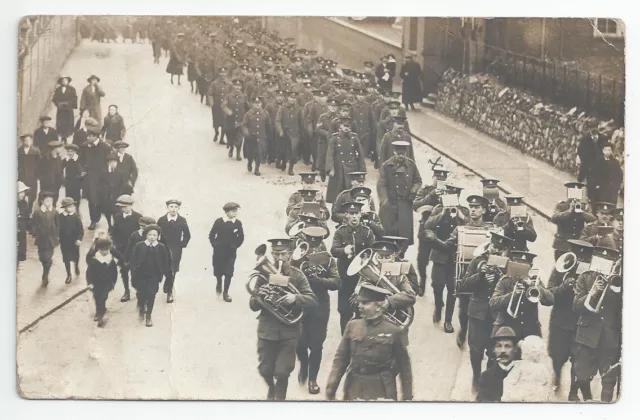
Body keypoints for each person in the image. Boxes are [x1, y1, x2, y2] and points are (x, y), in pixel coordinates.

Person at [250, 238, 317, 401]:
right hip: (267, 330)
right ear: (271, 254)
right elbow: (253, 305)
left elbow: (312, 300)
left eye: (283, 254)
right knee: (265, 369)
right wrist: (260, 295)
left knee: (282, 371)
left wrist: (295, 297)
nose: (279, 258)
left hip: (289, 331)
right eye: (276, 254)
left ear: (289, 254)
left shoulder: (298, 275)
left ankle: (279, 402)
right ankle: (271, 389)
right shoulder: (263, 275)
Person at [326, 283, 413, 401]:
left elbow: (404, 367)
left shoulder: (393, 331)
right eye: (359, 302)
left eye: (365, 303)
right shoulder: (352, 326)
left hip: (382, 389)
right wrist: (331, 387)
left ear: (378, 306)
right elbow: (340, 360)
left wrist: (407, 398)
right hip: (355, 386)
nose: (360, 306)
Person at [460, 232, 513, 389]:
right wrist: (481, 276)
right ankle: (476, 377)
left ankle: (488, 380)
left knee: (494, 351)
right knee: (476, 350)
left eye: (500, 250)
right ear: (489, 246)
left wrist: (499, 277)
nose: (496, 252)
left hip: (497, 315)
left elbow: (511, 287)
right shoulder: (478, 261)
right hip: (478, 313)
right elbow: (464, 284)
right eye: (494, 248)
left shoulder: (508, 265)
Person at [292, 226, 341, 395]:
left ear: (321, 242)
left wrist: (319, 280)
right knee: (299, 341)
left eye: (317, 242)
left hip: (320, 305)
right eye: (310, 242)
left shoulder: (328, 259)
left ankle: (313, 379)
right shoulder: (296, 256)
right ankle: (304, 364)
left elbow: (336, 282)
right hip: (301, 304)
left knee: (317, 344)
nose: (313, 246)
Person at [442, 195, 492, 347]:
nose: (473, 210)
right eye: (471, 207)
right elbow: (448, 245)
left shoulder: (491, 230)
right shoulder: (461, 229)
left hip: (485, 275)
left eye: (476, 207)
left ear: (483, 210)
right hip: (466, 274)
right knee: (464, 310)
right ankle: (463, 329)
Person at [572, 246, 621, 402]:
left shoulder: (620, 281)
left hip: (610, 336)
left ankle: (605, 409)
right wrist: (592, 293)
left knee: (609, 380)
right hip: (587, 335)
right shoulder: (585, 277)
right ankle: (588, 400)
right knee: (581, 376)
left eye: (608, 261)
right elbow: (576, 305)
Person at [547, 239, 594, 401]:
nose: (579, 260)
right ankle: (557, 378)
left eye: (584, 257)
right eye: (577, 255)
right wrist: (564, 286)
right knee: (557, 356)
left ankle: (573, 391)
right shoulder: (560, 268)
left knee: (578, 360)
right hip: (560, 321)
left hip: (579, 323)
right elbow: (549, 293)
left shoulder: (590, 273)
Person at [422, 184, 470, 333]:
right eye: (449, 193)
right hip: (439, 254)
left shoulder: (464, 211)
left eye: (454, 194)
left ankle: (448, 320)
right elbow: (427, 226)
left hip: (456, 255)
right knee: (437, 286)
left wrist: (460, 217)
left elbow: (470, 227)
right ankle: (437, 307)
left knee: (452, 289)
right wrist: (442, 213)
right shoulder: (438, 209)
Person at [331, 202, 376, 334]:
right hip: (345, 276)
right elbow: (333, 250)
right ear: (346, 215)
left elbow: (373, 251)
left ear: (361, 214)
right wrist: (343, 250)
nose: (354, 216)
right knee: (344, 311)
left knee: (362, 310)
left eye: (356, 213)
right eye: (351, 214)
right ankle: (345, 338)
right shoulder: (340, 232)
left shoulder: (367, 232)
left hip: (362, 278)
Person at [489, 251, 554, 340]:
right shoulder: (505, 281)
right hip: (507, 328)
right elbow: (493, 303)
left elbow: (550, 300)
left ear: (530, 267)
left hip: (530, 330)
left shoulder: (535, 281)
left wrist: (532, 285)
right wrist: (513, 294)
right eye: (518, 266)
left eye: (525, 267)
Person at [377, 140, 422, 258]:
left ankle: (401, 254)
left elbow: (418, 180)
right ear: (394, 152)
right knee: (388, 232)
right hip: (390, 205)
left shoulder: (411, 165)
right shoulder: (387, 166)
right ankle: (388, 254)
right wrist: (384, 200)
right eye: (398, 153)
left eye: (403, 154)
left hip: (405, 205)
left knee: (404, 233)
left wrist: (414, 190)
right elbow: (381, 184)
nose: (401, 156)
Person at [413, 166, 449, 296]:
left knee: (440, 262)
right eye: (437, 178)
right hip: (426, 229)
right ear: (433, 177)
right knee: (422, 259)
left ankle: (439, 290)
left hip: (442, 232)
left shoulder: (450, 191)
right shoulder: (426, 190)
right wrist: (431, 195)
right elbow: (416, 205)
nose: (439, 181)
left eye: (442, 179)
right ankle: (422, 281)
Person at [129, 224, 174, 327]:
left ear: (158, 236)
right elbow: (133, 260)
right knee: (141, 294)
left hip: (154, 276)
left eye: (154, 235)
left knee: (151, 295)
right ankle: (141, 307)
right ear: (146, 235)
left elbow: (166, 261)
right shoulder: (139, 245)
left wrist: (164, 274)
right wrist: (133, 271)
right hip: (140, 275)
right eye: (150, 235)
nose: (152, 237)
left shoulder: (161, 247)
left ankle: (148, 315)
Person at [325, 117, 367, 203]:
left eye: (348, 126)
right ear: (340, 126)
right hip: (338, 169)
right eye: (344, 126)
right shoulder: (335, 138)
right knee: (337, 194)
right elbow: (330, 154)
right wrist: (331, 168)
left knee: (351, 193)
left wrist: (362, 170)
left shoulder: (354, 138)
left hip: (352, 169)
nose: (346, 128)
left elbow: (361, 155)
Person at [157, 199, 191, 303]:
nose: (173, 209)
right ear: (167, 208)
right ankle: (167, 281)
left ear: (178, 208)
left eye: (176, 207)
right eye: (171, 206)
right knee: (164, 267)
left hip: (176, 248)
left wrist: (182, 244)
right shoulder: (161, 220)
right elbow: (156, 232)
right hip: (163, 248)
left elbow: (187, 234)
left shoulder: (182, 220)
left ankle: (170, 292)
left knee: (173, 269)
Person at [209, 202, 244, 302]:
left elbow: (241, 237)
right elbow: (212, 234)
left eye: (236, 211)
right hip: (219, 251)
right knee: (218, 270)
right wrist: (215, 244)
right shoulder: (219, 222)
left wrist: (235, 246)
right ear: (226, 212)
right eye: (233, 211)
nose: (235, 213)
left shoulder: (237, 223)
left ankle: (226, 292)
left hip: (231, 252)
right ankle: (219, 282)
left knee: (229, 272)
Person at [551, 182, 596, 260]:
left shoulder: (584, 206)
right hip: (562, 244)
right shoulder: (562, 205)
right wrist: (569, 211)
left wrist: (582, 212)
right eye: (572, 192)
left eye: (577, 193)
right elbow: (554, 218)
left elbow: (593, 219)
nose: (575, 196)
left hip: (577, 243)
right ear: (568, 192)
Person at [476, 326, 520, 402]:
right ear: (493, 349)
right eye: (499, 346)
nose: (503, 350)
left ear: (515, 348)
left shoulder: (523, 373)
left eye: (507, 346)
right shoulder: (486, 377)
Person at [111, 194, 142, 302]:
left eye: (125, 206)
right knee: (123, 271)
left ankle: (138, 289)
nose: (123, 209)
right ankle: (126, 291)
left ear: (130, 206)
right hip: (122, 250)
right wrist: (114, 244)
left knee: (135, 271)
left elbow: (141, 234)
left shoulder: (138, 217)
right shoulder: (117, 217)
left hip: (134, 249)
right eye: (121, 207)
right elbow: (114, 232)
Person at [81, 125, 112, 230]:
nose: (87, 138)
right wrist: (82, 171)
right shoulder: (85, 146)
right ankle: (93, 220)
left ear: (95, 137)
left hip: (103, 178)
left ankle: (103, 218)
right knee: (91, 199)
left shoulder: (105, 147)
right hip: (90, 177)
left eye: (89, 136)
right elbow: (81, 161)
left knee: (102, 198)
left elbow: (109, 161)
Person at [86, 238, 118, 328]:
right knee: (97, 297)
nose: (105, 252)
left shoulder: (110, 260)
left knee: (103, 297)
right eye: (103, 250)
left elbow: (114, 272)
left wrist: (113, 282)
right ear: (99, 249)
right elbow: (89, 273)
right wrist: (89, 283)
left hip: (107, 283)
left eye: (107, 250)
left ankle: (100, 315)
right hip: (96, 283)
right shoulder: (94, 259)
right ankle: (98, 311)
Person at [31, 191, 60, 286]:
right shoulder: (38, 212)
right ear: (42, 201)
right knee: (42, 257)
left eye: (51, 201)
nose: (49, 203)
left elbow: (58, 224)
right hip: (41, 238)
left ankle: (45, 274)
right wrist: (34, 232)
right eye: (47, 201)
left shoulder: (55, 212)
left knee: (48, 256)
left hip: (51, 238)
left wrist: (57, 234)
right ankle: (46, 266)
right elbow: (34, 224)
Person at [275, 91, 306, 175]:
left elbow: (302, 122)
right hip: (284, 133)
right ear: (287, 98)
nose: (292, 100)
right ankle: (283, 162)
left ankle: (291, 168)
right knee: (283, 150)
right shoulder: (282, 108)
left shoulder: (299, 109)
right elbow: (278, 120)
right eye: (291, 97)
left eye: (294, 98)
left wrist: (302, 134)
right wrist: (280, 130)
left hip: (295, 134)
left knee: (293, 151)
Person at [241, 96, 272, 176]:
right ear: (253, 104)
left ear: (261, 104)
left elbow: (268, 126)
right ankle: (250, 162)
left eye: (259, 103)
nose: (257, 105)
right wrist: (246, 133)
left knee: (259, 153)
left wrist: (269, 137)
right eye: (255, 103)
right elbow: (244, 125)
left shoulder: (265, 114)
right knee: (251, 153)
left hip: (261, 138)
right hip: (251, 137)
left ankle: (257, 168)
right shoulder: (249, 114)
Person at [577, 123, 605, 204]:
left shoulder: (602, 138)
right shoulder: (585, 138)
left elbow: (605, 148)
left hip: (598, 165)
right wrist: (585, 160)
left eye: (595, 127)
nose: (594, 130)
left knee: (593, 183)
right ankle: (577, 198)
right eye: (592, 128)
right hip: (587, 164)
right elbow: (580, 150)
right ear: (589, 129)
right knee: (580, 180)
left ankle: (591, 200)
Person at [58, 197, 84, 284]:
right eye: (69, 207)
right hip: (64, 242)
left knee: (76, 256)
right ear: (65, 208)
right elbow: (58, 228)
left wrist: (79, 239)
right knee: (66, 258)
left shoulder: (76, 217)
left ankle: (76, 266)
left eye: (73, 206)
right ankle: (68, 274)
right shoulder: (60, 217)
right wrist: (58, 237)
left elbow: (81, 230)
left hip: (74, 242)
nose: (72, 208)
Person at [222, 79, 248, 161]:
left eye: (239, 86)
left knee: (240, 138)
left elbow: (247, 107)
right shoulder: (228, 96)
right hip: (230, 121)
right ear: (233, 86)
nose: (237, 87)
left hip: (240, 121)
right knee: (230, 137)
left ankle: (238, 154)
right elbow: (223, 105)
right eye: (236, 86)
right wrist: (228, 111)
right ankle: (231, 148)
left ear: (241, 87)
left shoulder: (244, 97)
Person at [314, 98, 340, 181]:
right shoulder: (323, 117)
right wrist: (327, 134)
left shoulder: (339, 118)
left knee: (333, 157)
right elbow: (318, 129)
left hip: (334, 141)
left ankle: (331, 172)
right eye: (331, 106)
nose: (333, 108)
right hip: (323, 141)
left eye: (335, 106)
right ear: (328, 106)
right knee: (322, 157)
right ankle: (322, 172)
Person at [102, 154, 128, 230]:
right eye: (111, 162)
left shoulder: (120, 172)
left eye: (114, 162)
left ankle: (116, 226)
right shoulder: (104, 172)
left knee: (116, 212)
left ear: (116, 163)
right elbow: (101, 183)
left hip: (117, 196)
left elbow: (123, 185)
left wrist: (119, 195)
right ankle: (109, 225)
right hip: (107, 196)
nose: (112, 164)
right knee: (107, 212)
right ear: (108, 163)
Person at [38, 140, 64, 206]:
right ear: (55, 149)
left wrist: (61, 181)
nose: (61, 149)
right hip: (46, 186)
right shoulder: (44, 159)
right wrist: (44, 180)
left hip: (56, 186)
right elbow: (39, 171)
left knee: (54, 202)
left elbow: (60, 171)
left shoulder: (59, 158)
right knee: (44, 202)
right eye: (60, 147)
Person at [52, 76, 78, 141]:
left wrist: (68, 103)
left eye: (65, 80)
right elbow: (54, 99)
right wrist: (58, 103)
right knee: (61, 123)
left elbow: (74, 98)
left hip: (68, 110)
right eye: (63, 81)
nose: (64, 82)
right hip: (61, 110)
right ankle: (62, 137)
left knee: (68, 123)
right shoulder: (58, 89)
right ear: (61, 82)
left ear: (68, 81)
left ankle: (66, 137)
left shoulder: (72, 89)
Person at [18, 133, 41, 207]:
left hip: (32, 177)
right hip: (22, 177)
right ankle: (23, 212)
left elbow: (39, 164)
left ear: (31, 141)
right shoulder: (19, 151)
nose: (27, 142)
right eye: (25, 140)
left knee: (32, 195)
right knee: (21, 195)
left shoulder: (36, 151)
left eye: (29, 140)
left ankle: (30, 209)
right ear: (22, 141)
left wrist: (37, 175)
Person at [17, 182, 31, 264]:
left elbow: (27, 217)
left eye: (23, 192)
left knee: (20, 253)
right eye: (20, 192)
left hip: (22, 230)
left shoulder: (24, 203)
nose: (22, 194)